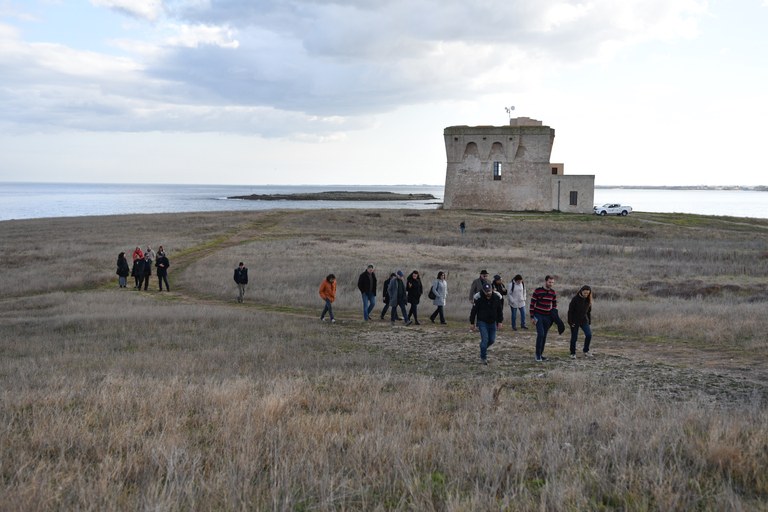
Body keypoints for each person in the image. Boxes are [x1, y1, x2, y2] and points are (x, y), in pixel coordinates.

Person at [530, 275, 565, 362]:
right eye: (550, 282)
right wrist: (532, 316)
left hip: (548, 316)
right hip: (538, 315)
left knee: (544, 336)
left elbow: (554, 304)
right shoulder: (538, 290)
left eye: (552, 282)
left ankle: (541, 355)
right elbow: (532, 304)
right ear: (545, 281)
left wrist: (554, 314)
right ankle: (537, 355)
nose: (551, 284)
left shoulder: (553, 292)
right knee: (540, 334)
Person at [470, 282, 504, 365]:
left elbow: (499, 311)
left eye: (489, 291)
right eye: (486, 291)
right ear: (483, 291)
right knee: (485, 340)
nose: (488, 293)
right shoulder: (478, 298)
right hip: (482, 322)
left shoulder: (496, 297)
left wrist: (500, 321)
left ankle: (483, 347)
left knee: (491, 340)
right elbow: (473, 311)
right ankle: (483, 357)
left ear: (492, 290)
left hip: (493, 322)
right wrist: (472, 322)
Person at [567, 285, 593, 359]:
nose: (586, 295)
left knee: (589, 335)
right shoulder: (575, 299)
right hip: (574, 321)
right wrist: (570, 322)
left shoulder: (588, 300)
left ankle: (586, 351)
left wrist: (589, 321)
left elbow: (588, 312)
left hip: (584, 321)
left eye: (587, 293)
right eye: (585, 293)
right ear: (581, 291)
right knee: (574, 338)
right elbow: (570, 311)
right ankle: (572, 353)